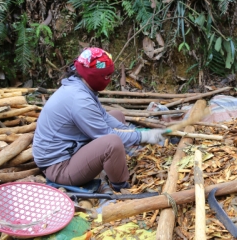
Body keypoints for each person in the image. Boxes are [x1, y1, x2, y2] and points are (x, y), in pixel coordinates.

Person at [33, 47, 166, 191]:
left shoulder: (80, 84)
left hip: (72, 148)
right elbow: (106, 134)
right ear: (93, 75)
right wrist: (142, 136)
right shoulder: (80, 100)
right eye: (107, 77)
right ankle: (120, 185)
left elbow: (104, 117)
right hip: (59, 167)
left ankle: (120, 158)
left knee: (117, 115)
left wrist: (131, 131)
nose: (108, 80)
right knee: (112, 143)